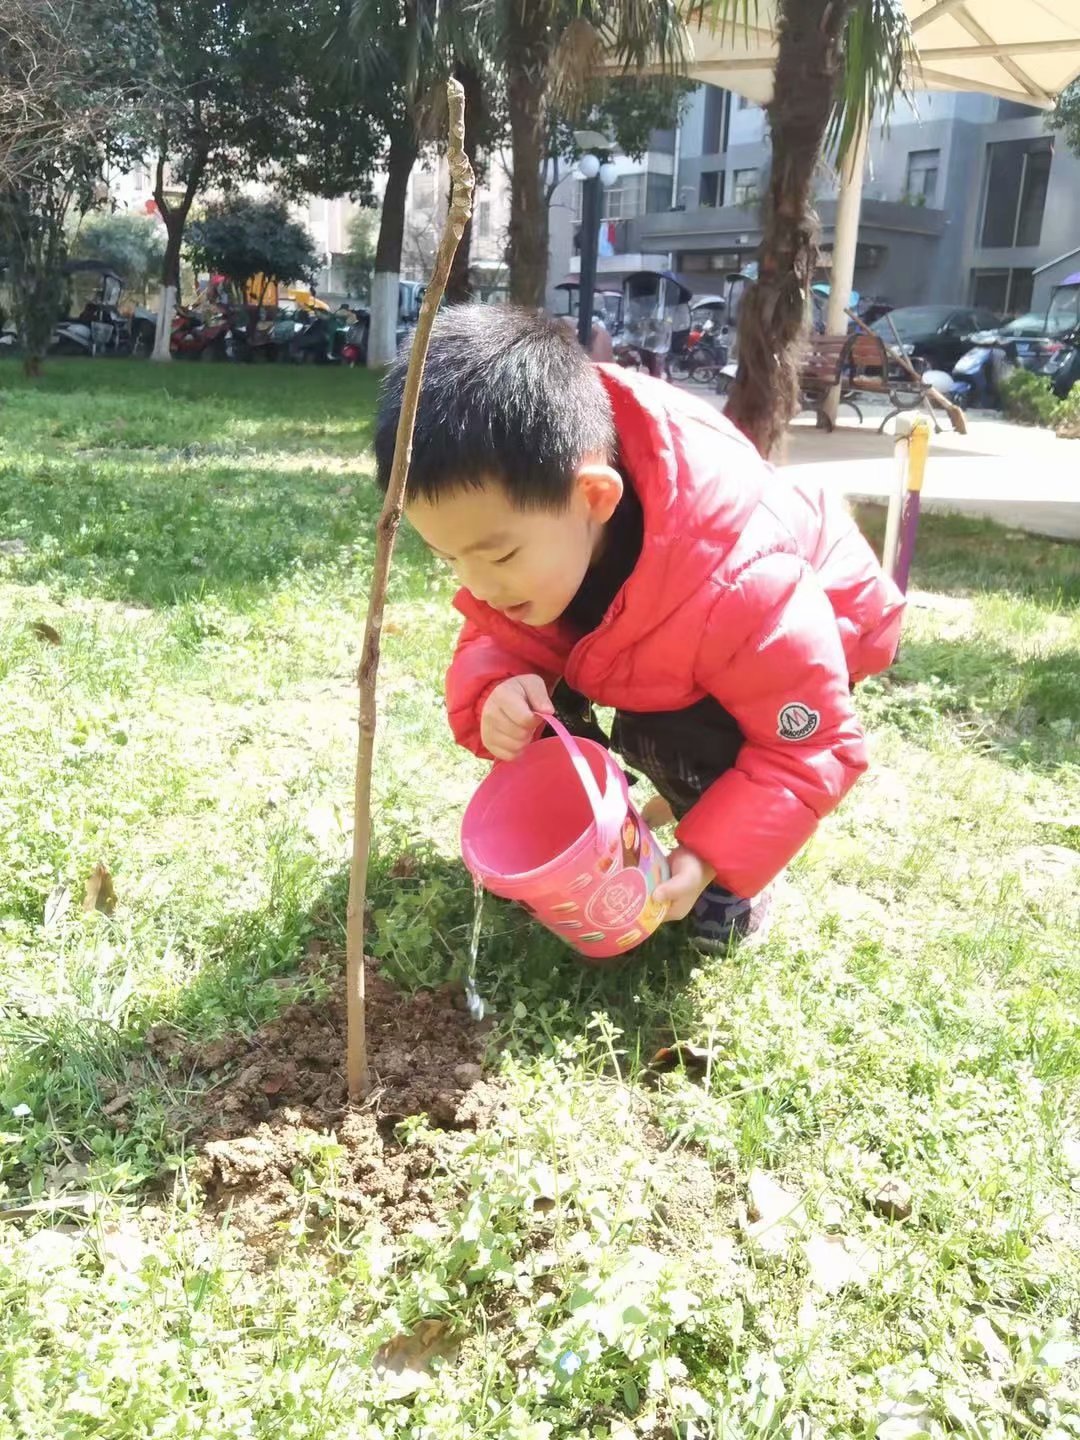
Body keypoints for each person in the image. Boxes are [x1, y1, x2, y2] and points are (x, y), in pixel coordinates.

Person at [374, 307, 904, 954]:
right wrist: (497, 696)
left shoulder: (744, 582)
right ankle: (599, 822)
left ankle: (728, 883)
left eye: (499, 556)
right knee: (540, 680)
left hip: (786, 643)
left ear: (595, 497)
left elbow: (807, 747)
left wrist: (708, 856)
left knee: (665, 735)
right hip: (655, 621)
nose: (477, 585)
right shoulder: (539, 533)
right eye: (449, 559)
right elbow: (496, 636)